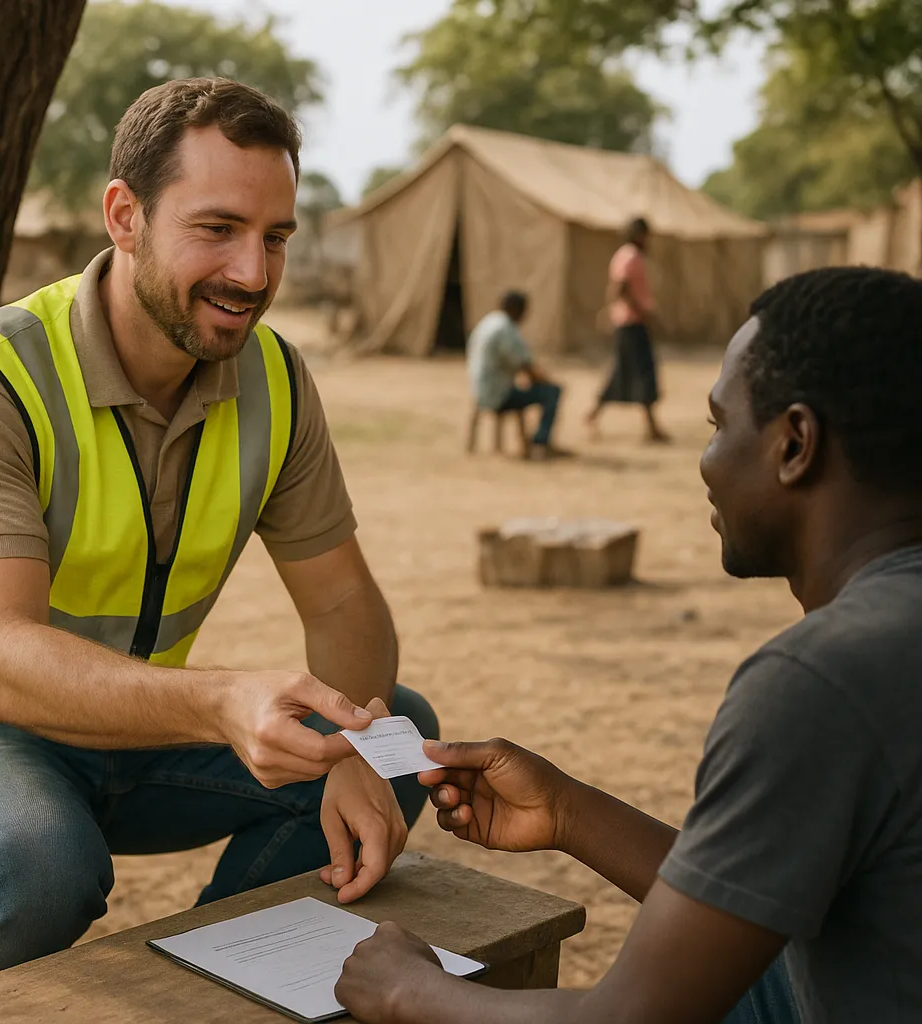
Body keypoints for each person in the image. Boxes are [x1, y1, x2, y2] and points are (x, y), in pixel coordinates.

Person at [0, 78, 438, 998]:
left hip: (128, 726)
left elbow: (344, 600)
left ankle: (217, 989)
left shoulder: (274, 377)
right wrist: (222, 701)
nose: (254, 275)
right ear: (125, 216)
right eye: (218, 228)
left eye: (275, 238)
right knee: (37, 866)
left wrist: (354, 744)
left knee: (401, 736)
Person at [336, 266, 922, 1024]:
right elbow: (753, 895)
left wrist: (406, 989)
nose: (705, 463)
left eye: (718, 427)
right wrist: (569, 813)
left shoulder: (820, 681)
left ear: (794, 444)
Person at [587, 217, 670, 443]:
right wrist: (643, 313)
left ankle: (595, 414)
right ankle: (652, 428)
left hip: (631, 321)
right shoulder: (630, 256)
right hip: (632, 322)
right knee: (642, 372)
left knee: (624, 371)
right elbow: (621, 288)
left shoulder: (628, 256)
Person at [466, 291, 565, 460]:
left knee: (537, 389)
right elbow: (526, 367)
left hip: (479, 388)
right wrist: (546, 380)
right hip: (498, 394)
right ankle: (540, 443)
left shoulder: (488, 322)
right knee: (552, 391)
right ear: (516, 310)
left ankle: (536, 442)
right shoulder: (506, 330)